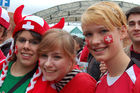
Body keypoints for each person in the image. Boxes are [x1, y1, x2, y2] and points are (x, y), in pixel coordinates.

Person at [0, 5, 64, 93]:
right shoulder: (1, 67)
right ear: (15, 44)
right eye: (22, 40)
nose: (26, 46)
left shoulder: (50, 83)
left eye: (34, 42)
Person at [81, 1, 140, 93]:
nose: (95, 41)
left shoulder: (137, 81)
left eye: (103, 31)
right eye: (88, 34)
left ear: (123, 31)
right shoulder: (100, 83)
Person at [37, 29, 96, 93]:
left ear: (71, 60)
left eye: (57, 57)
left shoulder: (84, 84)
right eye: (44, 55)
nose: (47, 64)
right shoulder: (45, 78)